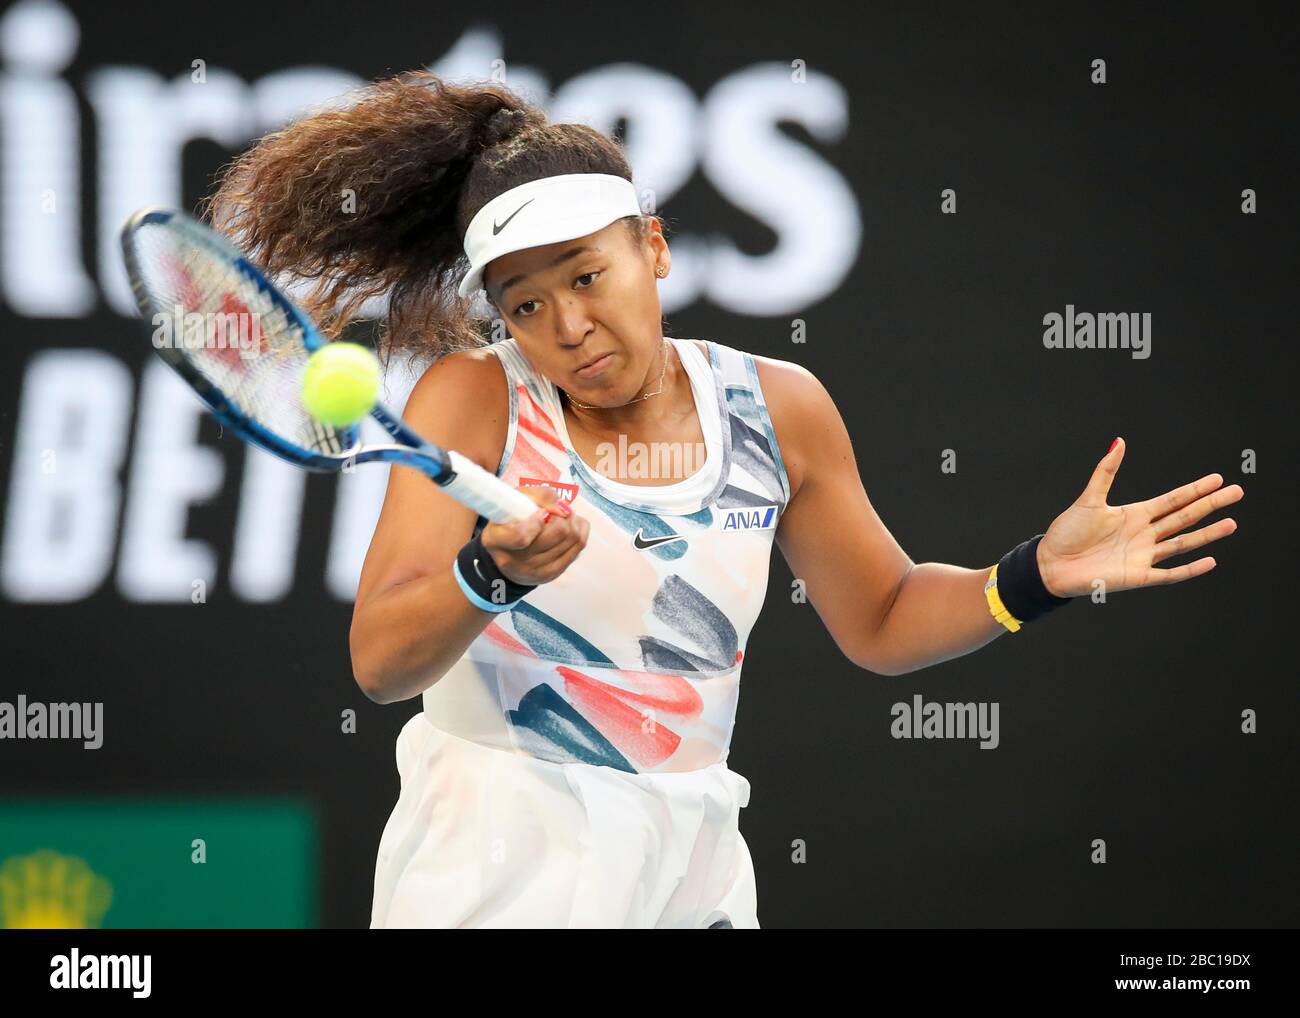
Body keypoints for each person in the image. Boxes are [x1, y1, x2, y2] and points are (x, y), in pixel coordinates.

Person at [205, 70, 1244, 929]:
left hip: (692, 866)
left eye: (585, 275)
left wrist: (1030, 578)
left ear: (650, 250)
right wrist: (491, 575)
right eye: (524, 302)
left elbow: (879, 618)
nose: (565, 324)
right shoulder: (472, 396)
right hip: (494, 860)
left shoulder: (777, 406)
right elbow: (381, 662)